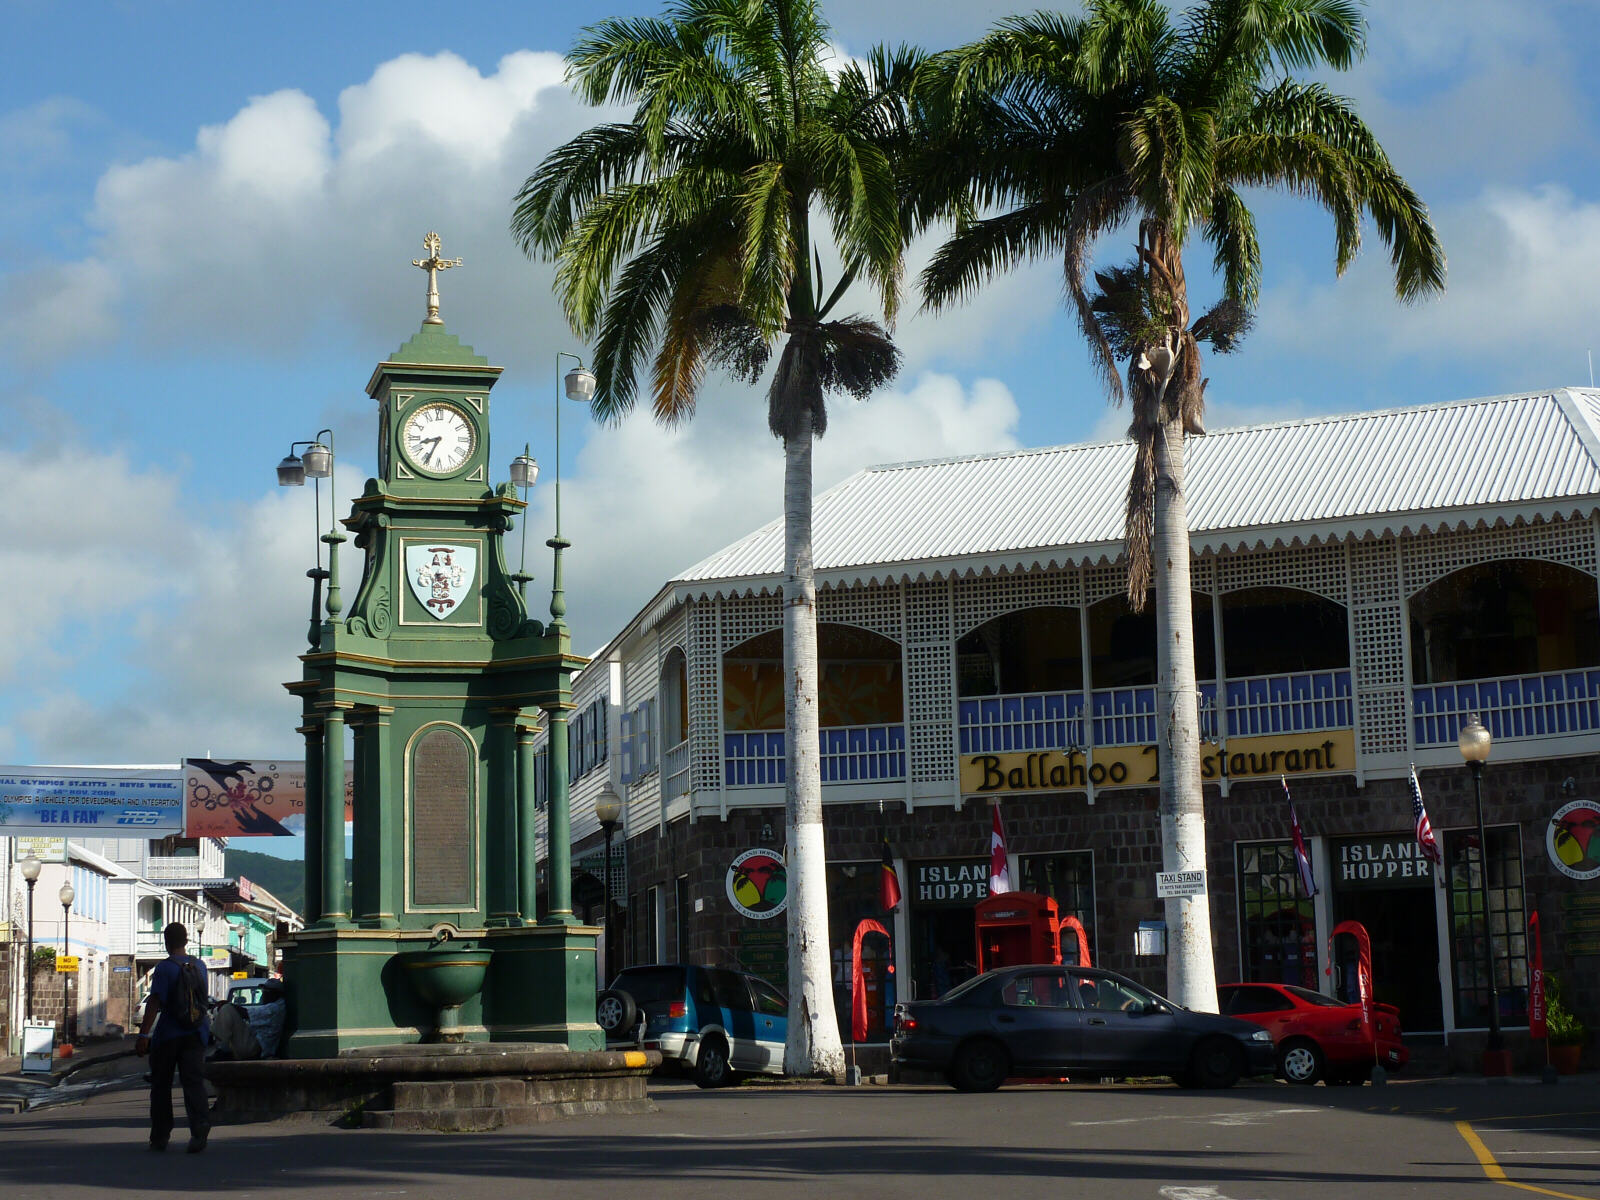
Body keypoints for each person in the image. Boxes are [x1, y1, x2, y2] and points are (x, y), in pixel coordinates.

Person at [135, 923, 211, 1153]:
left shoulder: (164, 969)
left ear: (166, 942)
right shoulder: (200, 966)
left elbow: (154, 1003)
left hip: (168, 1034)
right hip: (196, 1033)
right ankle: (199, 1130)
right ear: (186, 941)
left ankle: (160, 1136)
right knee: (194, 1083)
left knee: (161, 1085)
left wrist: (144, 1035)